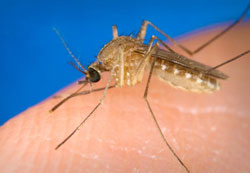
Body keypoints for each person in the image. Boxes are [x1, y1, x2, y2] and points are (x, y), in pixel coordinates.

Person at [0, 22, 249, 172]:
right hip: (139, 58)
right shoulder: (105, 62)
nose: (94, 78)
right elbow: (107, 61)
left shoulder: (112, 62)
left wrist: (100, 100)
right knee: (144, 33)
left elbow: (120, 54)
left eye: (94, 75)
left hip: (160, 63)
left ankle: (193, 53)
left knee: (149, 39)